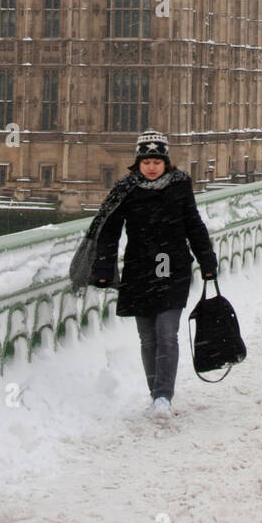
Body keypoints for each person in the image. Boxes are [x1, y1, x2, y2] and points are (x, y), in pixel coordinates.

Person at [90, 130, 217, 416]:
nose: (151, 166)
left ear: (166, 162)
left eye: (156, 161)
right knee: (148, 339)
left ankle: (163, 397)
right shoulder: (125, 189)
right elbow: (108, 230)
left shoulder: (180, 185)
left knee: (166, 333)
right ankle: (155, 393)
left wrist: (208, 263)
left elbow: (194, 225)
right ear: (137, 162)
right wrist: (103, 269)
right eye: (146, 161)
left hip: (173, 268)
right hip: (139, 269)